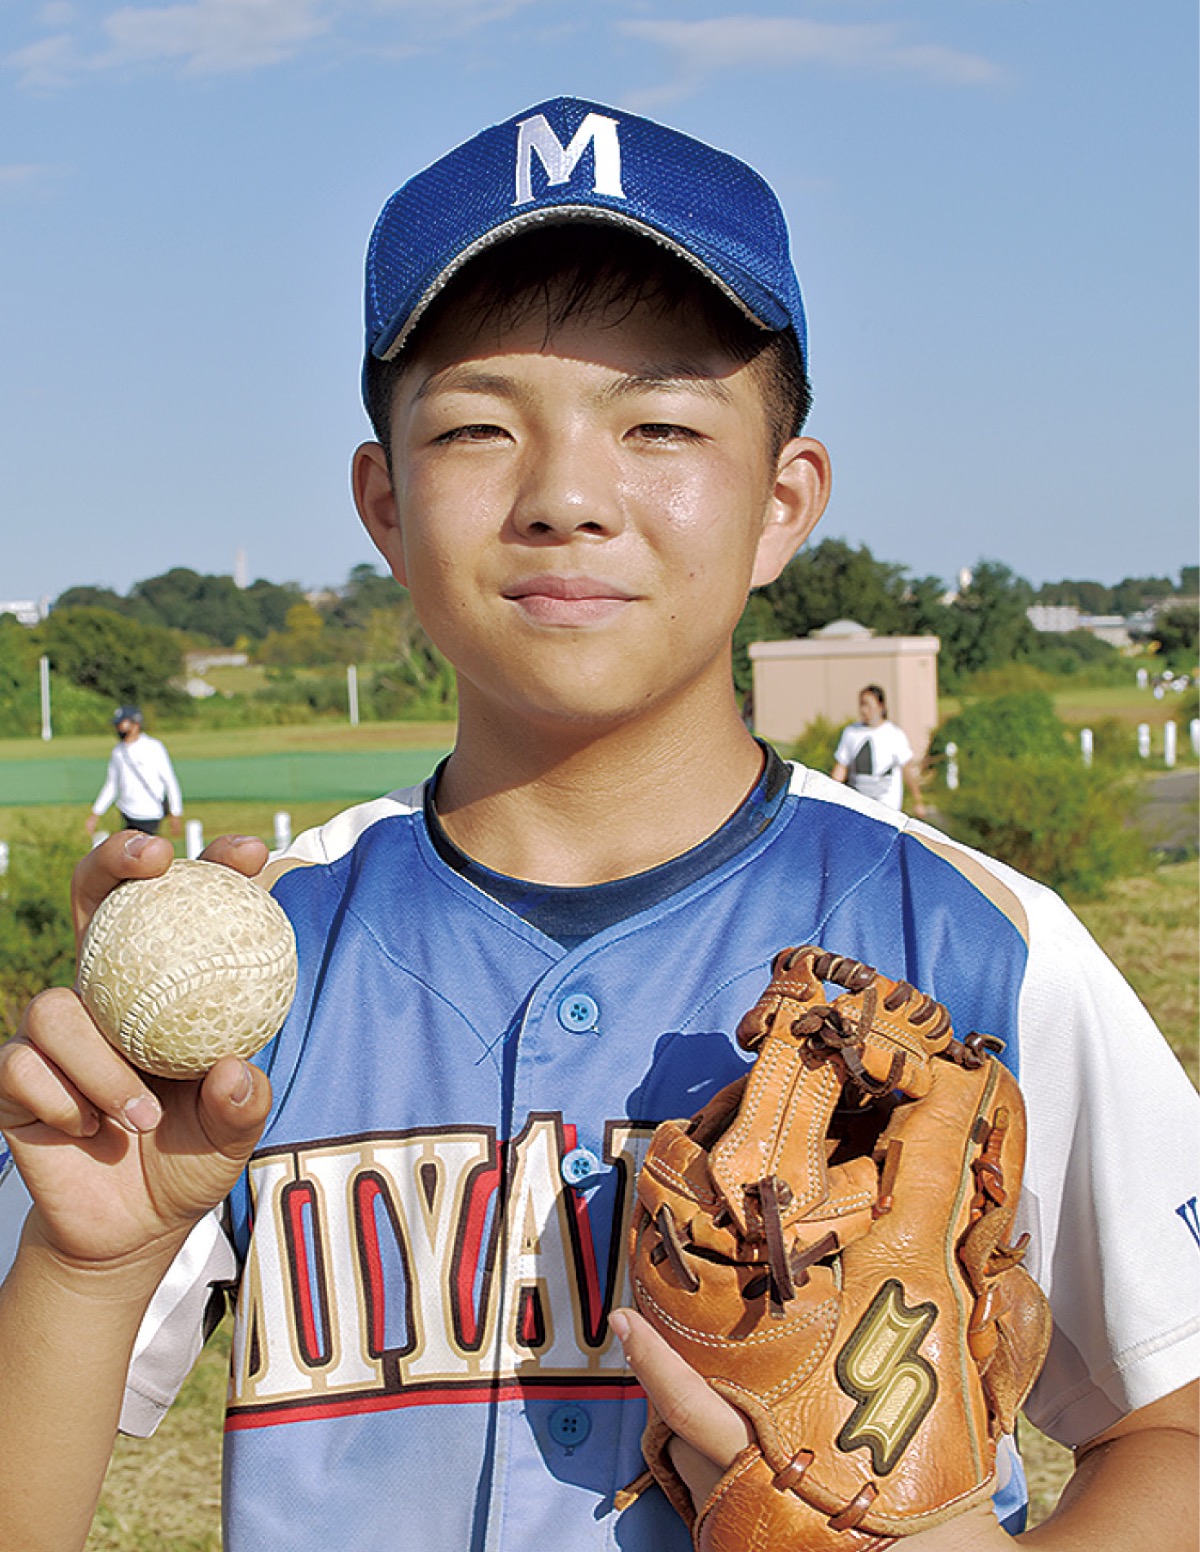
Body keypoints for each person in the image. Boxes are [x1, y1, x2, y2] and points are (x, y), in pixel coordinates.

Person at [0, 97, 1196, 1552]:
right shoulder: (272, 970)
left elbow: (1175, 1424)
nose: (568, 494)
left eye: (663, 423)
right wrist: (78, 1271)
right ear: (384, 500)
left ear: (782, 501)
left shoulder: (973, 945)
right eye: (481, 425)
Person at [85, 705, 184, 839]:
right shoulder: (118, 751)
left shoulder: (153, 747)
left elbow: (169, 780)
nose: (118, 728)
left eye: (122, 723)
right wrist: (96, 813)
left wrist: (175, 812)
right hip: (127, 812)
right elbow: (112, 784)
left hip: (151, 813)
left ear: (135, 724)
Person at [831, 683, 926, 816]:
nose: (864, 710)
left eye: (868, 705)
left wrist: (918, 800)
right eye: (862, 704)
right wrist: (829, 794)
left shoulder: (894, 734)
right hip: (859, 806)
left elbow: (907, 769)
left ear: (881, 706)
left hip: (886, 807)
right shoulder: (851, 732)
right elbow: (841, 767)